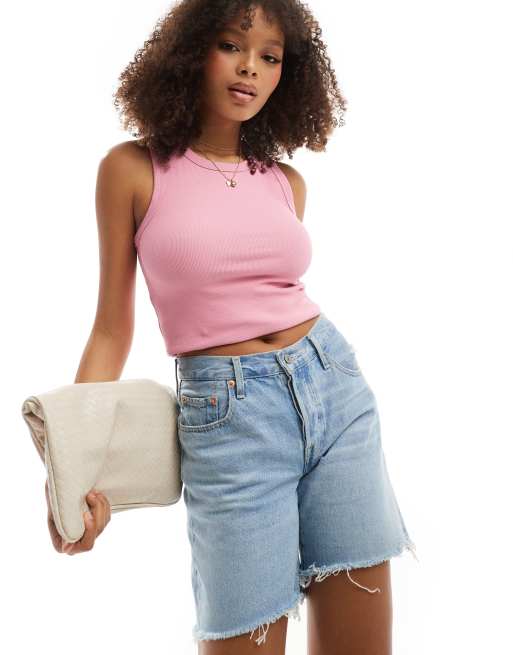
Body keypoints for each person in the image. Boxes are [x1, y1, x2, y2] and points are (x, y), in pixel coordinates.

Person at [46, 1, 418, 653]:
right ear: (191, 52)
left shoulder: (285, 183)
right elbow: (111, 327)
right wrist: (73, 471)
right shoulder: (132, 170)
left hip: (335, 392)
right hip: (228, 416)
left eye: (269, 57)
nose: (250, 67)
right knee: (241, 634)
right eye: (231, 45)